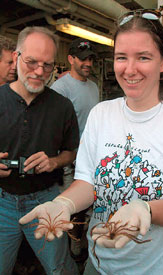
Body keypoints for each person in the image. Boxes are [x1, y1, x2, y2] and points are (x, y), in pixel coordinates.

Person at [19, 10, 163, 275]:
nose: (129, 69)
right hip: (100, 264)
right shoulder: (102, 114)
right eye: (121, 58)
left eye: (143, 57)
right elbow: (88, 182)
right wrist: (64, 204)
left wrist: (146, 209)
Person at [0, 26, 79, 274]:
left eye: (47, 65)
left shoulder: (62, 107)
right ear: (16, 56)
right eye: (32, 62)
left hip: (46, 201)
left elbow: (73, 152)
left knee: (59, 268)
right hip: (2, 203)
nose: (39, 72)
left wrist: (54, 162)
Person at [51, 38, 99, 260]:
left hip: (90, 159)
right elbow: (54, 129)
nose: (87, 63)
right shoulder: (60, 88)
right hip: (69, 161)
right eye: (82, 59)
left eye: (90, 58)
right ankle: (64, 253)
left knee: (85, 208)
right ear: (71, 59)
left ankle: (78, 250)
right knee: (68, 208)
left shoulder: (93, 87)